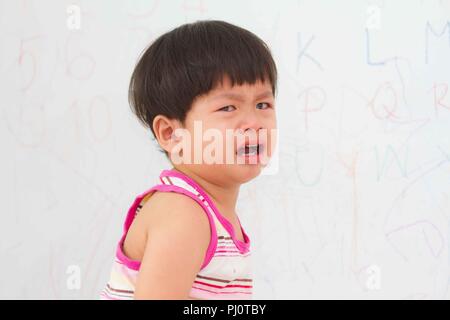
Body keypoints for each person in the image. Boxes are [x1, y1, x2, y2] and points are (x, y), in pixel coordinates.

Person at [100, 20, 278, 300]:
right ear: (172, 134)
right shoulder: (184, 214)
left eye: (262, 104)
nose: (254, 122)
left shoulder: (208, 212)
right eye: (228, 107)